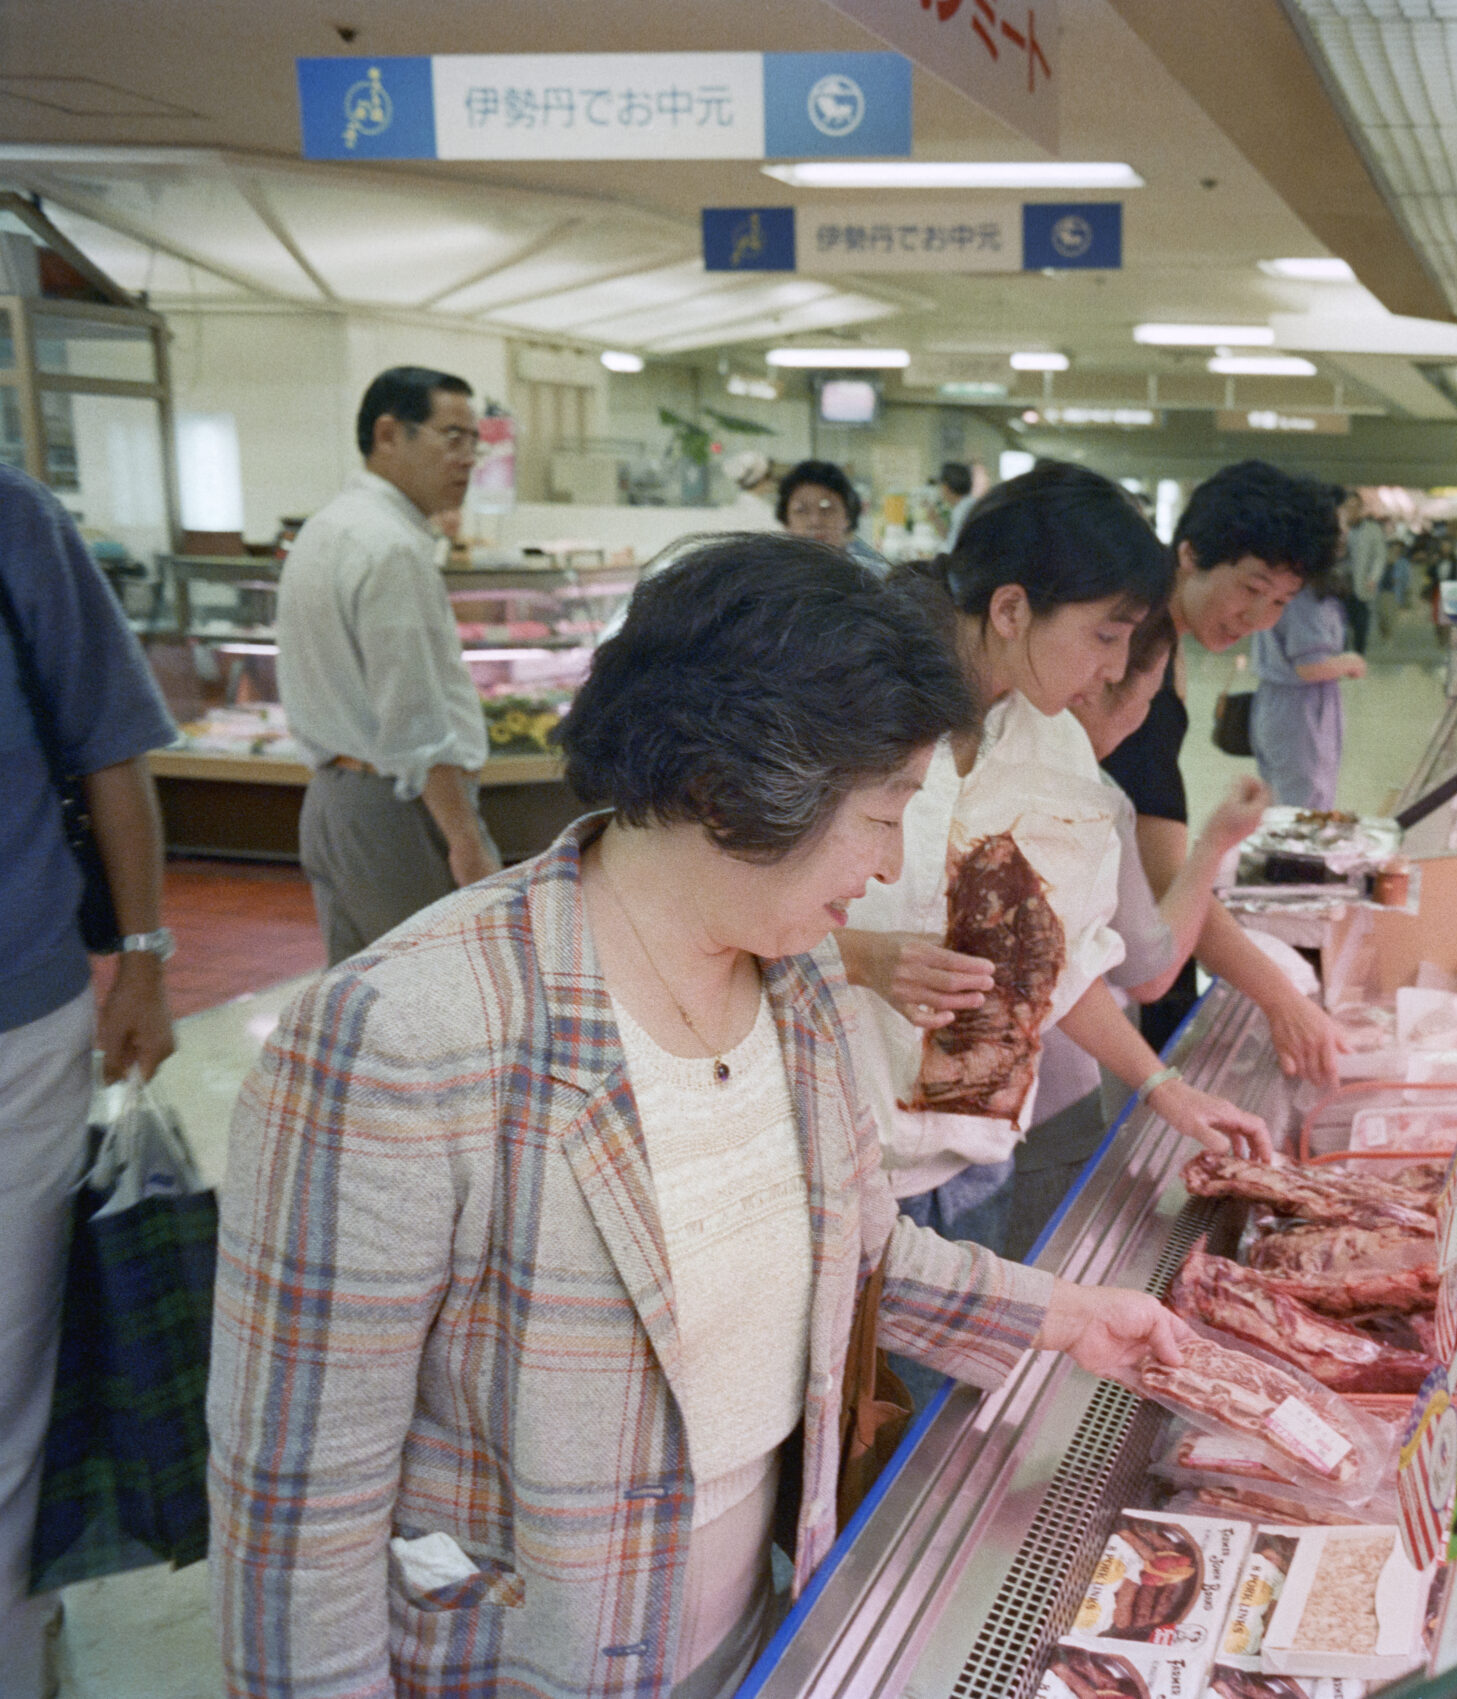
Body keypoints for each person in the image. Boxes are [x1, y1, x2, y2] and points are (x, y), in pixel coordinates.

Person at [210, 537, 1193, 1699]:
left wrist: (1070, 1315)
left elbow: (860, 1253)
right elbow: (299, 1527)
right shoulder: (407, 1038)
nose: (887, 870)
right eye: (880, 819)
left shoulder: (800, 980)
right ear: (733, 788)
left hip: (751, 1639)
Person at [834, 464, 1268, 1265]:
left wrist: (1166, 1089)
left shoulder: (1056, 748)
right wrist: (866, 959)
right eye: (1104, 635)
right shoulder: (845, 715)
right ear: (1010, 608)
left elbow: (1059, 970)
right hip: (835, 1174)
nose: (1112, 669)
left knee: (959, 1393)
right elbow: (714, 918)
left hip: (975, 1174)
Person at [0, 464, 177, 1699]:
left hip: (16, 1026)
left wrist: (148, 962)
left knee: (10, 1371)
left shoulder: (12, 518)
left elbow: (111, 749)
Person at [1003, 609, 1270, 1260]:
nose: (1139, 717)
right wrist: (1214, 843)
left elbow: (1060, 967)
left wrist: (1162, 1087)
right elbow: (1146, 967)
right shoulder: (1093, 795)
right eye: (1145, 699)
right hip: (1049, 1114)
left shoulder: (999, 760)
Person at [1100, 460, 1347, 1070]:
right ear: (1189, 553)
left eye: (1280, 601)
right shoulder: (1133, 667)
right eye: (1250, 587)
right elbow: (1166, 890)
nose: (1258, 618)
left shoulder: (1160, 643)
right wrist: (1282, 1000)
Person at [276, 366, 503, 965]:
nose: (467, 459)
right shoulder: (393, 548)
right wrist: (466, 842)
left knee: (360, 1004)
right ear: (388, 434)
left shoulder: (326, 529)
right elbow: (414, 718)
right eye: (451, 437)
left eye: (473, 442)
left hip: (330, 799)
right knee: (432, 1001)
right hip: (396, 811)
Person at [1250, 565, 1365, 810]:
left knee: (1282, 795)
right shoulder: (1303, 598)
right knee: (1304, 801)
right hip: (1301, 711)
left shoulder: (1282, 586)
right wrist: (1350, 662)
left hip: (1278, 703)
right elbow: (1310, 667)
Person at [776, 459, 894, 578]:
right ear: (786, 521)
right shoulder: (772, 577)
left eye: (827, 509)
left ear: (847, 516)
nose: (815, 521)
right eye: (801, 510)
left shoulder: (874, 576)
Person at [1339, 488, 1387, 654]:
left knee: (1360, 624)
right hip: (1339, 585)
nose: (1352, 510)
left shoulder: (1372, 529)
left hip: (1360, 584)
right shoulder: (1337, 528)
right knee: (1338, 623)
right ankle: (1341, 655)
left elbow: (1379, 556)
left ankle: (1359, 655)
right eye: (1348, 506)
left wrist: (1373, 577)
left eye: (1355, 506)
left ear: (1361, 508)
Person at [938, 460, 980, 539]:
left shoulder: (961, 511)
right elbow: (952, 539)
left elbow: (952, 548)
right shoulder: (969, 504)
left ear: (945, 487)